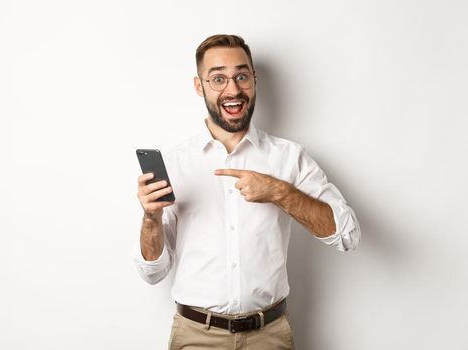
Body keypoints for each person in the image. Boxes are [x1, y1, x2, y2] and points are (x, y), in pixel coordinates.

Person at [134, 34, 361, 350]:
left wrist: (279, 192)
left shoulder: (288, 158)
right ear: (199, 86)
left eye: (241, 76)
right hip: (196, 337)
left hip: (269, 336)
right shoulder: (175, 162)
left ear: (254, 81)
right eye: (218, 79)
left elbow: (347, 235)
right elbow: (152, 273)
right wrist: (150, 218)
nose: (233, 89)